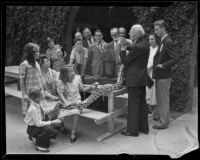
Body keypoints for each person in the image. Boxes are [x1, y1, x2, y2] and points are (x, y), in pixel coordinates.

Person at [119, 24, 150, 137]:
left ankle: (132, 131)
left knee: (133, 105)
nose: (129, 33)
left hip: (134, 79)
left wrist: (122, 49)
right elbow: (135, 49)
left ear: (136, 33)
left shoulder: (138, 46)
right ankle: (144, 128)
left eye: (131, 32)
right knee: (142, 104)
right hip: (141, 79)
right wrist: (127, 45)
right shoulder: (144, 43)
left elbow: (126, 62)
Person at [57, 65, 98, 143]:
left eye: (73, 71)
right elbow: (60, 93)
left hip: (77, 101)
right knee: (60, 115)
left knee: (76, 112)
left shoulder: (77, 78)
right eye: (71, 72)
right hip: (67, 102)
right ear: (65, 74)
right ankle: (62, 127)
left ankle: (73, 132)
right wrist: (65, 102)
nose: (74, 73)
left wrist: (91, 86)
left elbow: (82, 89)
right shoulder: (61, 82)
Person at [152, 20, 179, 129]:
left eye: (157, 29)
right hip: (160, 76)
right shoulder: (162, 41)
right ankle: (162, 118)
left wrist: (163, 65)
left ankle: (163, 123)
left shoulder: (167, 42)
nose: (155, 32)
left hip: (164, 76)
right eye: (155, 29)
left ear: (163, 28)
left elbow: (175, 58)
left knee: (163, 100)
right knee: (160, 99)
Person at [24, 87, 63, 152]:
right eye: (42, 94)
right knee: (47, 128)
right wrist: (53, 121)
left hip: (36, 127)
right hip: (33, 128)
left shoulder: (37, 104)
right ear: (37, 98)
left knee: (54, 131)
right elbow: (39, 124)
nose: (44, 94)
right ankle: (39, 146)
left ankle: (35, 137)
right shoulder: (33, 108)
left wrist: (53, 108)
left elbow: (43, 111)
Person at [19, 42, 43, 115]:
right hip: (30, 93)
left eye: (39, 51)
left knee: (38, 112)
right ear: (31, 53)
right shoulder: (24, 64)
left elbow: (39, 78)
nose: (39, 53)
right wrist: (24, 94)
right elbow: (22, 80)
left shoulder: (37, 63)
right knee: (31, 113)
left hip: (38, 92)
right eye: (37, 51)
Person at [146, 34, 158, 117]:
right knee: (147, 90)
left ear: (156, 39)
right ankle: (149, 110)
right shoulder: (148, 49)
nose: (151, 41)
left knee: (153, 91)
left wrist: (149, 66)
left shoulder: (158, 49)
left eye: (152, 39)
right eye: (150, 39)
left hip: (154, 72)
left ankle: (155, 110)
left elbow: (157, 60)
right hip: (146, 72)